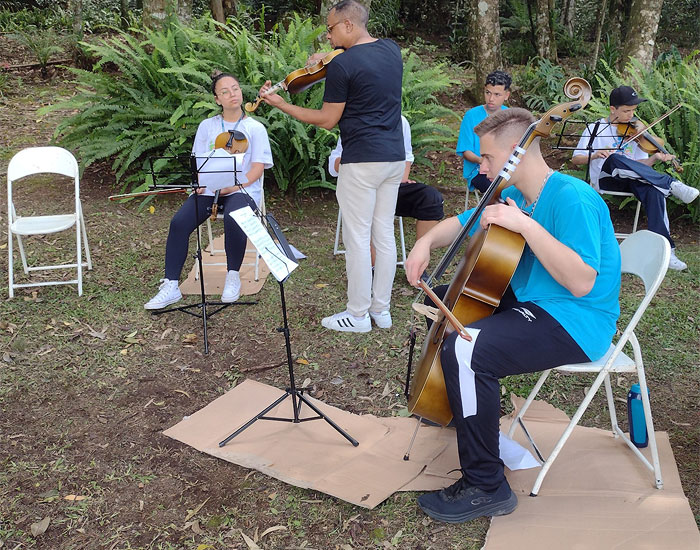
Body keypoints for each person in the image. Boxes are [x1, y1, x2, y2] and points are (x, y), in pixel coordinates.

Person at [404, 108, 621, 523]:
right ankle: (468, 416)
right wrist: (426, 242)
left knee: (467, 349)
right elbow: (462, 223)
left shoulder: (572, 197)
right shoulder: (518, 196)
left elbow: (581, 282)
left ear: (515, 155)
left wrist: (524, 226)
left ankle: (486, 485)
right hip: (532, 304)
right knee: (448, 301)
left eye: (487, 158)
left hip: (576, 320)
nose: (481, 167)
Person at [258, 0, 405, 333]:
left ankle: (357, 315)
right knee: (383, 235)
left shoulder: (344, 63)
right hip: (394, 157)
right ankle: (381, 310)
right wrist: (326, 61)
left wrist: (282, 105)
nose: (327, 35)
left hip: (362, 160)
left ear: (349, 25)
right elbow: (362, 73)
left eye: (331, 28)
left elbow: (326, 120)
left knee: (357, 238)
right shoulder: (391, 50)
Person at [144, 71, 273, 309]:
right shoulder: (207, 126)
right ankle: (171, 284)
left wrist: (232, 187)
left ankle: (232, 276)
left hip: (242, 190)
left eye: (235, 88)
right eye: (224, 91)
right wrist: (202, 182)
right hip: (210, 190)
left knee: (235, 218)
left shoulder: (255, 128)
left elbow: (256, 170)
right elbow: (198, 163)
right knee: (179, 222)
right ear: (217, 99)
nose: (232, 94)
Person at [572, 85, 699, 271]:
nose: (631, 115)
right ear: (612, 109)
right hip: (606, 177)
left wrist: (655, 157)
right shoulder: (596, 128)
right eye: (626, 111)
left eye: (633, 111)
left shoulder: (636, 133)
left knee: (654, 190)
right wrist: (595, 154)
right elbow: (575, 159)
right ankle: (671, 184)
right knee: (615, 158)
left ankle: (666, 251)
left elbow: (640, 167)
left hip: (631, 179)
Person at [328, 115, 444, 265]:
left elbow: (407, 157)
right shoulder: (353, 121)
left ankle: (418, 263)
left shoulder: (400, 122)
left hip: (393, 186)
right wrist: (356, 156)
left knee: (431, 198)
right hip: (361, 189)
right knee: (368, 205)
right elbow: (333, 166)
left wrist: (401, 179)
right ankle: (372, 267)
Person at [456, 70, 511, 195]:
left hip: (504, 170)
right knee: (499, 192)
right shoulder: (471, 116)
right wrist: (484, 162)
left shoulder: (509, 115)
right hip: (478, 171)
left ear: (506, 95)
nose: (491, 99)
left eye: (497, 94)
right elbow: (466, 152)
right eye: (488, 93)